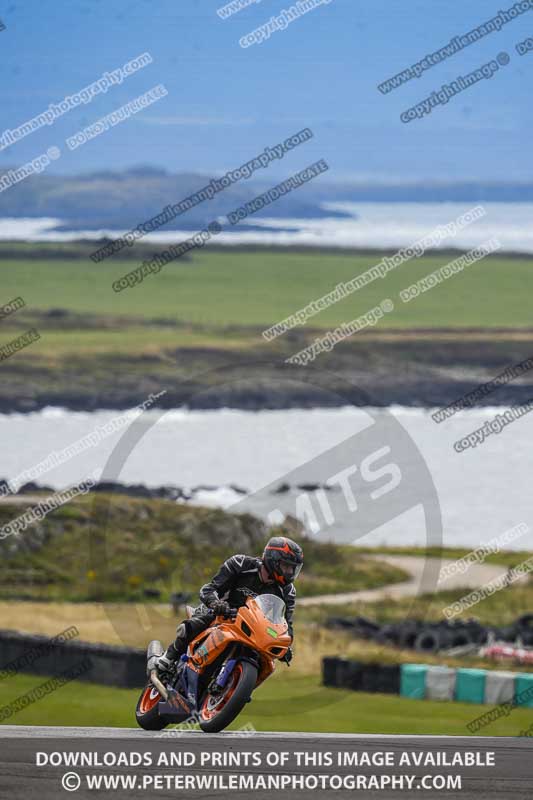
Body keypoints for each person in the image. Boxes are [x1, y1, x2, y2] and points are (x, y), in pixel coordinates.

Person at [156, 535, 303, 674]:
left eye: (293, 568)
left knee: (262, 660)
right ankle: (169, 657)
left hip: (251, 627)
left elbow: (285, 623)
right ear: (273, 560)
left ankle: (234, 688)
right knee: (194, 625)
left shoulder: (287, 592)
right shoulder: (240, 564)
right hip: (220, 612)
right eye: (286, 566)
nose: (290, 572)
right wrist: (215, 603)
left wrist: (286, 645)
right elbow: (210, 589)